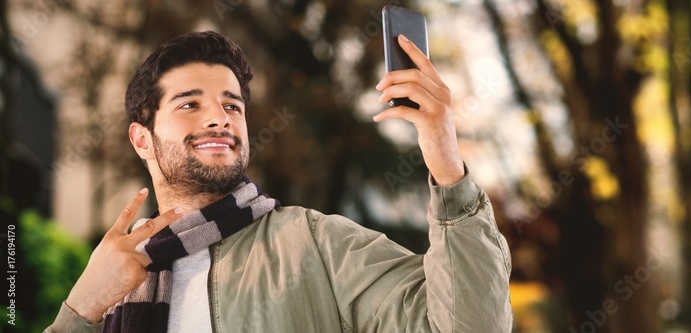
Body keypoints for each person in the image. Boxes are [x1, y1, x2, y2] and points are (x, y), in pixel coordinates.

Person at [45, 31, 512, 332]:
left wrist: (448, 167)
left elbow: (471, 325)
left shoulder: (314, 243)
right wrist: (81, 307)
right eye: (190, 104)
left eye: (232, 105)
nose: (219, 118)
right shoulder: (114, 280)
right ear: (141, 139)